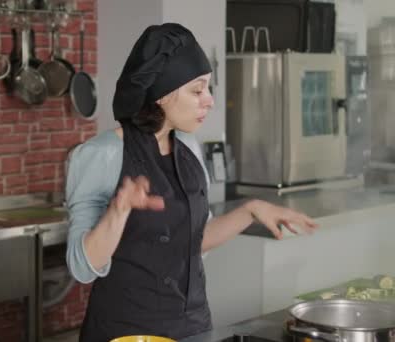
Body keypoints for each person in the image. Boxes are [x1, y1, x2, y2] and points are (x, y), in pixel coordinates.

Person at [65, 23, 318, 341]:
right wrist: (119, 210)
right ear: (161, 95)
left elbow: (192, 241)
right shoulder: (101, 154)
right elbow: (81, 267)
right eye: (197, 90)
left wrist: (250, 211)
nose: (209, 101)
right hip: (126, 332)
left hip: (193, 328)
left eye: (208, 89)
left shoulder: (189, 150)